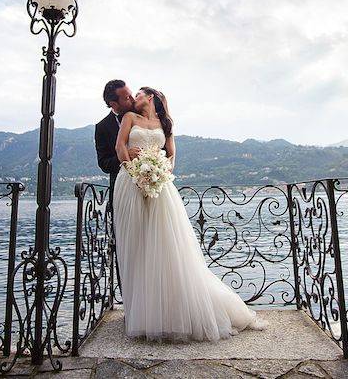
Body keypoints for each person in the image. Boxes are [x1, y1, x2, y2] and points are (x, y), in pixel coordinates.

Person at [112, 86, 267, 341]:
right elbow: (120, 148)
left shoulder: (166, 124)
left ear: (150, 97)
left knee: (168, 247)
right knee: (137, 246)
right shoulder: (129, 119)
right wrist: (135, 173)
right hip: (131, 185)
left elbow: (171, 155)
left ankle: (171, 313)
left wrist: (160, 171)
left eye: (138, 94)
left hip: (160, 187)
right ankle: (143, 314)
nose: (134, 98)